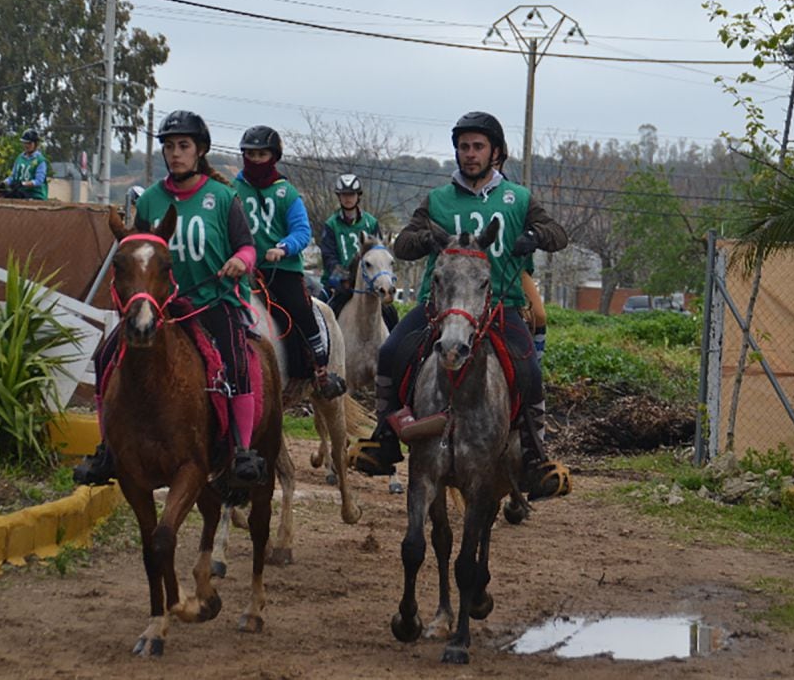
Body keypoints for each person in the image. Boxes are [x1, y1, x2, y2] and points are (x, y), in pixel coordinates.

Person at [350, 111, 570, 500]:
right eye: (464, 147)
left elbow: (559, 234)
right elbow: (403, 244)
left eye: (478, 147)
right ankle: (384, 439)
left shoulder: (517, 199)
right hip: (440, 307)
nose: (470, 154)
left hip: (500, 306)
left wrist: (533, 236)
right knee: (391, 352)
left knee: (530, 372)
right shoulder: (438, 199)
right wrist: (427, 241)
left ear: (495, 152)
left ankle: (536, 460)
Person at [73, 110, 265, 485]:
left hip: (213, 300)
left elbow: (247, 247)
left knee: (237, 361)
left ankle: (242, 450)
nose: (175, 153)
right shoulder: (151, 201)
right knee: (105, 357)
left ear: (200, 151)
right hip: (163, 304)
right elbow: (138, 250)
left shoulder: (223, 197)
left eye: (184, 146)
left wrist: (239, 262)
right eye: (169, 147)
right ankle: (107, 450)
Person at [234, 125, 347, 399]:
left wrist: (283, 248)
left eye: (262, 154)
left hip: (281, 269)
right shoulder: (232, 190)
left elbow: (302, 231)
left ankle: (320, 369)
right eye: (251, 154)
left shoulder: (288, 193)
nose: (256, 160)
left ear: (274, 157)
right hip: (241, 267)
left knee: (301, 309)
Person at [320, 173, 398, 330]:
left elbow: (380, 254)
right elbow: (329, 257)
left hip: (367, 280)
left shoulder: (371, 222)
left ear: (358, 196)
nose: (348, 198)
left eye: (351, 194)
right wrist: (344, 278)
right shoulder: (331, 224)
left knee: (391, 315)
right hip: (341, 281)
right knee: (323, 311)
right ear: (339, 197)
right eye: (344, 195)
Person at [0, 129, 49, 199]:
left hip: (35, 195)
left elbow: (39, 181)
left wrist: (23, 184)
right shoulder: (19, 158)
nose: (26, 145)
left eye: (29, 143)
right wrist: (3, 183)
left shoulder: (40, 161)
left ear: (35, 144)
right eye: (25, 143)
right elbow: (13, 177)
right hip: (21, 193)